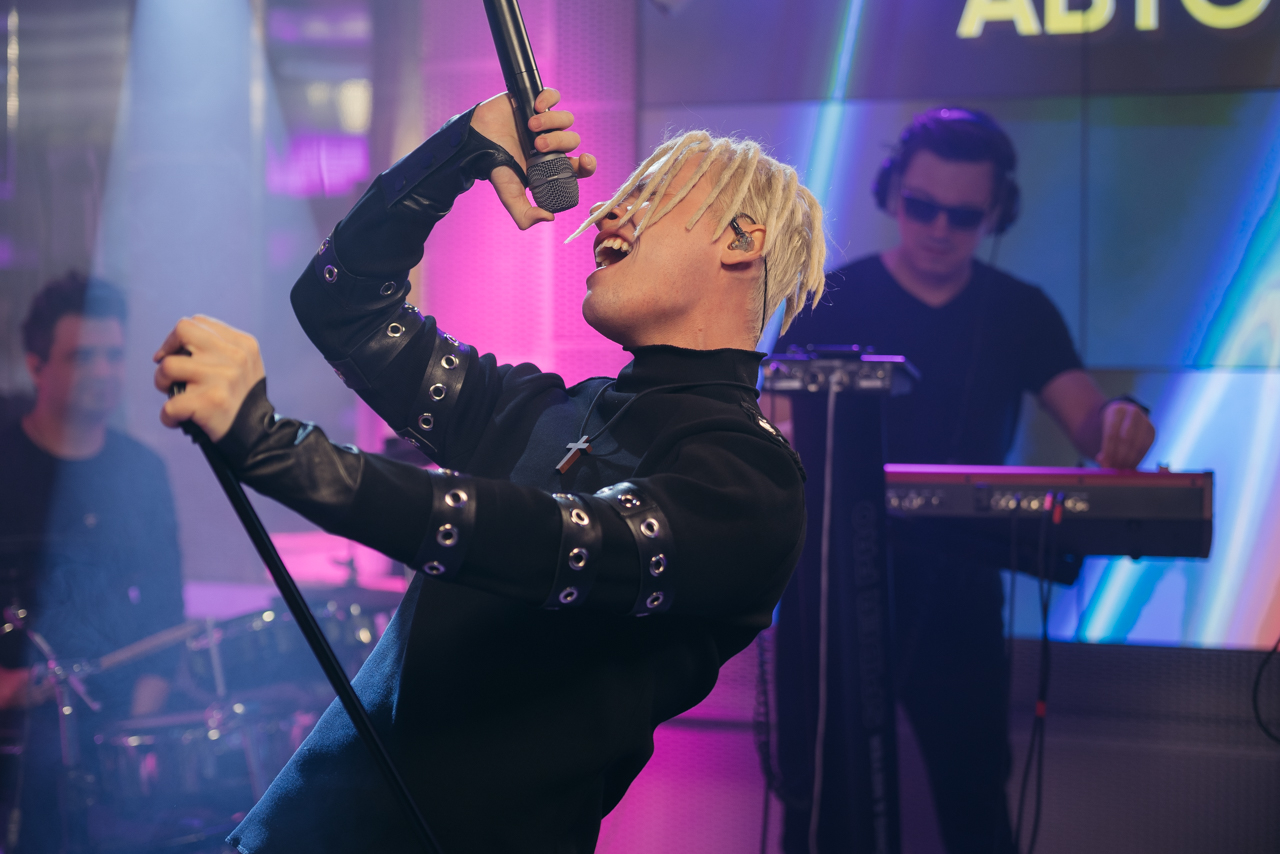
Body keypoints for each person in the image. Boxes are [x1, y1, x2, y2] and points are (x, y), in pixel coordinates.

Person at [152, 88, 826, 852]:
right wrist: (460, 150)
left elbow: (552, 540)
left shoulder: (751, 482)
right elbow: (345, 305)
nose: (608, 212)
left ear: (741, 239)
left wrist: (275, 448)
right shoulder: (541, 410)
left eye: (651, 195)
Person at [772, 107, 1157, 854]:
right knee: (816, 805)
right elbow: (771, 419)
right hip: (830, 594)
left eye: (964, 215)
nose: (940, 229)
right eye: (923, 206)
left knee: (974, 804)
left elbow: (1090, 419)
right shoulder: (830, 297)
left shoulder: (1019, 311)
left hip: (961, 595)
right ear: (892, 193)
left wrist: (1122, 420)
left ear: (997, 213)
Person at [0, 272, 185, 852]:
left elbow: (166, 618)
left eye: (114, 355)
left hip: (114, 731)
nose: (104, 371)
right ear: (36, 366)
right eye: (83, 356)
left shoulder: (143, 472)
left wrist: (133, 736)